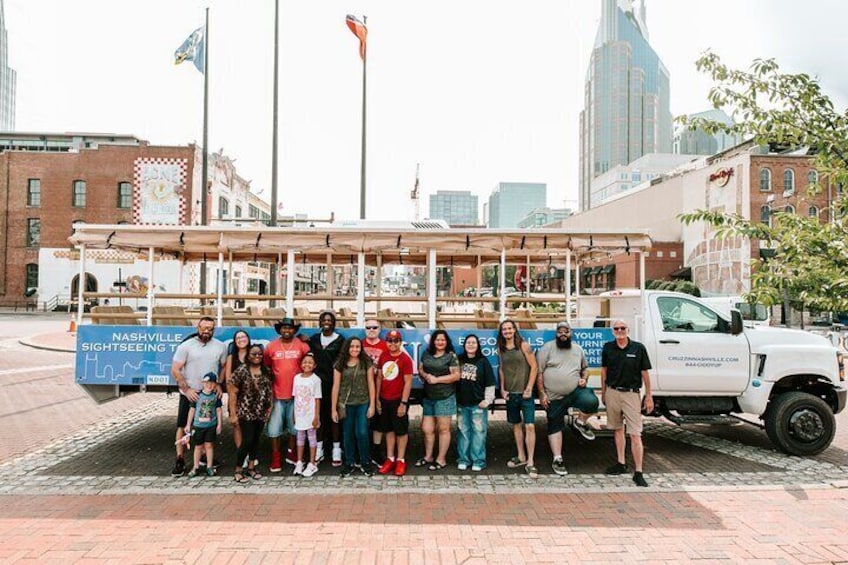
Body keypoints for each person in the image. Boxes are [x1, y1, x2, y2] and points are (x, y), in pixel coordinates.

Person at [536, 320, 600, 476]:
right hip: (553, 396)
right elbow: (539, 373)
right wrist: (542, 393)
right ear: (556, 333)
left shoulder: (578, 349)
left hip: (575, 391)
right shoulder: (547, 348)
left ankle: (580, 422)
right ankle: (557, 459)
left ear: (571, 333)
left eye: (566, 331)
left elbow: (585, 369)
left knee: (592, 402)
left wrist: (584, 378)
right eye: (560, 332)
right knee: (554, 425)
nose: (563, 334)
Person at [169, 316, 227, 477]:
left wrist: (219, 384)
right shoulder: (186, 346)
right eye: (204, 328)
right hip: (191, 394)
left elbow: (224, 366)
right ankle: (180, 459)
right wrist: (186, 390)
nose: (207, 331)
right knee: (182, 426)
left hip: (209, 395)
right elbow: (175, 369)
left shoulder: (220, 346)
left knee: (207, 427)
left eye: (210, 328)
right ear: (198, 328)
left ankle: (203, 457)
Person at [601, 319, 653, 487]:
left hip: (631, 394)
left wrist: (649, 395)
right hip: (612, 392)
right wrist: (604, 392)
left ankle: (638, 472)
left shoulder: (638, 348)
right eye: (616, 328)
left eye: (622, 328)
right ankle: (621, 463)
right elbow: (604, 371)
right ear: (613, 331)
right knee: (617, 429)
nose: (620, 331)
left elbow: (645, 373)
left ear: (628, 330)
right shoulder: (608, 348)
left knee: (635, 433)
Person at [264, 317, 311, 473]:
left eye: (290, 328)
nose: (287, 330)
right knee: (274, 429)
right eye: (284, 327)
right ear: (279, 330)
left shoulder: (302, 345)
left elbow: (309, 364)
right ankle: (276, 457)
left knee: (294, 428)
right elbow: (267, 366)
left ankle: (291, 453)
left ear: (294, 330)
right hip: (277, 394)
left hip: (297, 395)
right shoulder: (271, 347)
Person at [498, 319, 539, 478]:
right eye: (504, 329)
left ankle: (531, 461)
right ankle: (521, 456)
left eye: (510, 328)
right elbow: (502, 369)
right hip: (511, 394)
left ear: (515, 329)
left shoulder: (524, 345)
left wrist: (529, 387)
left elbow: (534, 367)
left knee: (530, 426)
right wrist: (502, 389)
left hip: (526, 393)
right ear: (501, 332)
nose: (507, 331)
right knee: (516, 425)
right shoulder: (501, 348)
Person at [228, 343, 273, 483]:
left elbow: (270, 392)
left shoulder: (266, 371)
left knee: (256, 440)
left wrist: (269, 409)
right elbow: (232, 392)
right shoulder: (241, 370)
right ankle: (238, 469)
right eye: (254, 354)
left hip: (261, 411)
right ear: (248, 355)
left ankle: (251, 467)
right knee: (247, 440)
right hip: (245, 411)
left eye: (260, 354)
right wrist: (233, 414)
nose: (257, 356)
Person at [416, 329, 460, 471]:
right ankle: (428, 456)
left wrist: (437, 379)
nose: (440, 342)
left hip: (445, 396)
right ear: (433, 341)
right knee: (427, 429)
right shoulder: (426, 353)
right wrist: (425, 375)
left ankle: (441, 459)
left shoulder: (451, 356)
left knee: (443, 429)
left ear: (446, 342)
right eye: (437, 339)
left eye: (443, 340)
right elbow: (420, 368)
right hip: (429, 397)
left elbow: (456, 376)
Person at [332, 336, 376, 477]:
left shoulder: (366, 362)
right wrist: (333, 409)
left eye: (357, 346)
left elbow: (371, 383)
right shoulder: (340, 364)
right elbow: (336, 386)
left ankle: (365, 461)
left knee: (362, 432)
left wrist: (372, 405)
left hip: (363, 402)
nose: (355, 349)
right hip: (346, 404)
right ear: (347, 348)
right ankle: (349, 462)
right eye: (352, 346)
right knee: (348, 433)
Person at [307, 310, 345, 467]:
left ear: (334, 323)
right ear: (320, 322)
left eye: (329, 320)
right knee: (319, 416)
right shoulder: (315, 339)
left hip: (334, 384)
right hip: (317, 385)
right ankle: (319, 447)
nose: (326, 322)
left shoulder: (340, 340)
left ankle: (336, 448)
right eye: (324, 320)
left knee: (334, 416)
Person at [375, 329, 414, 477]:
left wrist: (403, 403)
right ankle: (390, 458)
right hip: (384, 399)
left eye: (396, 341)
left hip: (398, 400)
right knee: (388, 430)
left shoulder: (405, 359)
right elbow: (379, 378)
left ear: (400, 342)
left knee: (401, 431)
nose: (393, 343)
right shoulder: (383, 356)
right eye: (390, 341)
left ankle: (400, 460)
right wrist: (377, 398)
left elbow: (408, 382)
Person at [456, 334, 495, 472]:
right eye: (468, 342)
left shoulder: (483, 361)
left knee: (478, 433)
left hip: (478, 404)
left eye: (473, 342)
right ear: (464, 345)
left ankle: (478, 461)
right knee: (463, 432)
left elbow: (490, 382)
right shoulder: (459, 360)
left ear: (478, 345)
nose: (471, 345)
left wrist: (487, 400)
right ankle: (463, 460)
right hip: (461, 403)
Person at [185, 372, 223, 477]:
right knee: (198, 446)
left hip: (211, 426)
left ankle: (209, 466)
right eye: (206, 383)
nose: (209, 385)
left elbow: (219, 410)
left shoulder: (216, 397)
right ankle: (195, 467)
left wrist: (219, 424)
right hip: (198, 426)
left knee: (209, 446)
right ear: (203, 383)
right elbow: (192, 410)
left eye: (211, 383)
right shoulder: (197, 395)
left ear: (215, 384)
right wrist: (188, 424)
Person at [362, 318, 389, 464]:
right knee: (362, 422)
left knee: (378, 421)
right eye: (368, 327)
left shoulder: (386, 345)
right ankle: (363, 450)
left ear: (380, 330)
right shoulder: (359, 345)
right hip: (362, 388)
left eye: (374, 327)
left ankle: (376, 450)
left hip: (380, 387)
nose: (371, 330)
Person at [292, 352, 322, 477]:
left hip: (310, 414)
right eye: (304, 362)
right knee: (300, 437)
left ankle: (312, 463)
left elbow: (317, 399)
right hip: (299, 414)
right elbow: (295, 397)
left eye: (310, 362)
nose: (307, 364)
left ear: (314, 365)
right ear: (300, 364)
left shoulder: (316, 380)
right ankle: (299, 462)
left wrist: (316, 416)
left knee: (312, 438)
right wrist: (294, 415)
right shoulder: (296, 378)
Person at [225, 329, 251, 455]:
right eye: (238, 338)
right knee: (237, 424)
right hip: (235, 395)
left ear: (248, 339)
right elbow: (228, 379)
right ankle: (241, 454)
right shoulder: (231, 357)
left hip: (251, 397)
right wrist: (231, 396)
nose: (241, 340)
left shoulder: (253, 355)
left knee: (249, 426)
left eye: (243, 337)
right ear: (235, 342)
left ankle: (250, 453)